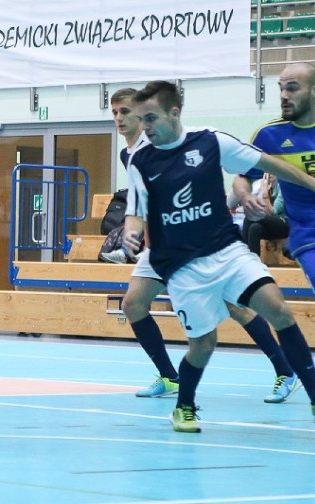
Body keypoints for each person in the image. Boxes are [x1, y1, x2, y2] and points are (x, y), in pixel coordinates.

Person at [122, 80, 315, 432]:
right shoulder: (140, 158)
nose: (145, 128)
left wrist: (311, 184)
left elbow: (266, 162)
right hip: (181, 265)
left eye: (151, 118)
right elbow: (136, 210)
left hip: (225, 250)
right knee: (204, 343)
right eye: (142, 120)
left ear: (174, 112)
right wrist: (132, 230)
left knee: (279, 310)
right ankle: (184, 406)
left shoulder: (211, 140)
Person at [234, 62, 315, 291]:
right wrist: (245, 195)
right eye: (280, 88)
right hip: (308, 235)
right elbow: (242, 176)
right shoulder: (268, 135)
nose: (283, 95)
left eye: (292, 88)